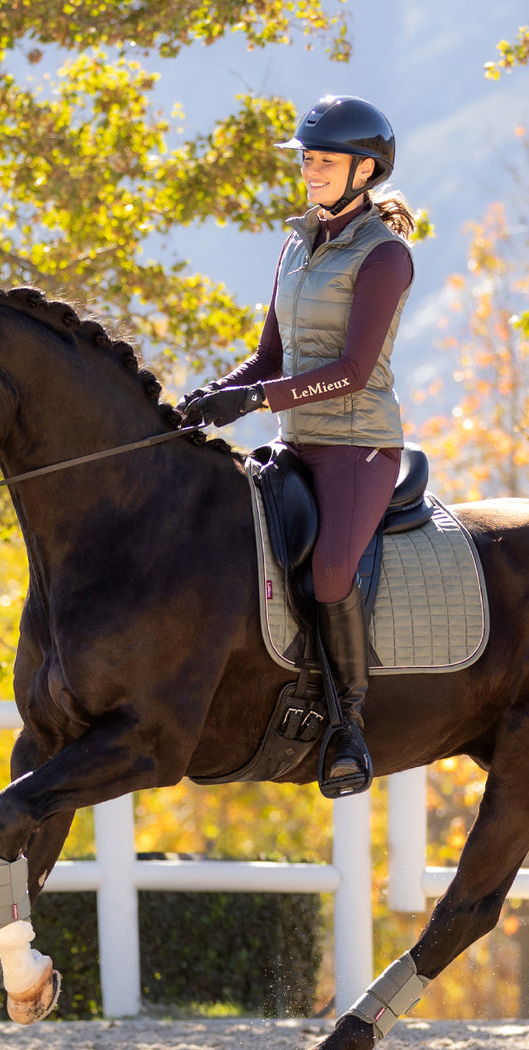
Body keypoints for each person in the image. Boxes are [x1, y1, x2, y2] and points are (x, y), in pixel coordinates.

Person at [182, 95, 418, 795]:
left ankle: (349, 724)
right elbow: (268, 359)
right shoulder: (295, 244)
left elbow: (351, 371)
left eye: (325, 162)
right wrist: (208, 397)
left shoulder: (385, 256)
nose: (311, 171)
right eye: (308, 159)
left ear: (365, 170)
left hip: (358, 448)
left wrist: (256, 400)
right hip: (297, 443)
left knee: (331, 572)